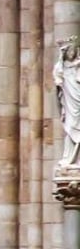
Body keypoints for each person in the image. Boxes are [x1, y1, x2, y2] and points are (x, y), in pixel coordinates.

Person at [56, 37, 80, 169]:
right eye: (69, 52)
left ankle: (76, 159)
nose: (71, 54)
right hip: (69, 100)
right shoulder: (61, 67)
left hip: (78, 98)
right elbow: (58, 75)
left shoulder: (78, 66)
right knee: (70, 128)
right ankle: (69, 158)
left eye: (73, 51)